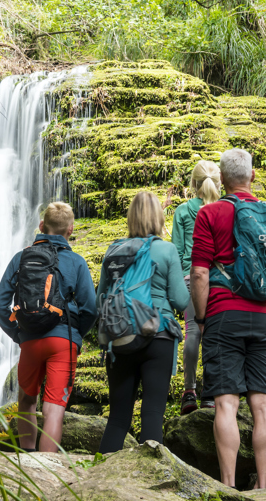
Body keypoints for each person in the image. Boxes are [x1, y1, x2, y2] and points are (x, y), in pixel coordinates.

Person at [190, 148, 266, 489]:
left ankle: (228, 486)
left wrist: (204, 318)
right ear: (252, 176)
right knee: (263, 404)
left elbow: (199, 274)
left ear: (222, 179)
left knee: (226, 402)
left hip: (223, 315)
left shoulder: (210, 214)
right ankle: (264, 488)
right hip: (264, 317)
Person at [0, 202, 98, 452]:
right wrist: (75, 336)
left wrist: (18, 335)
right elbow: (90, 309)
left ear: (41, 226)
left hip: (30, 340)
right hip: (63, 342)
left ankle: (26, 461)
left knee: (26, 401)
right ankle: (46, 474)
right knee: (54, 408)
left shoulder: (21, 258)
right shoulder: (77, 262)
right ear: (70, 230)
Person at [97, 192, 189, 452]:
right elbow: (181, 302)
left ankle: (99, 482)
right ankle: (150, 486)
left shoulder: (113, 251)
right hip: (158, 335)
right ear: (159, 216)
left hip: (120, 336)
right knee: (152, 414)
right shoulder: (166, 250)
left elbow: (99, 302)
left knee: (117, 419)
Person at [171, 160, 222, 414]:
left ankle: (189, 391)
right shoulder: (225, 210)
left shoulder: (182, 211)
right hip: (219, 281)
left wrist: (180, 282)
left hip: (191, 278)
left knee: (192, 331)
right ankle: (210, 393)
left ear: (193, 184)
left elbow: (178, 252)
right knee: (214, 335)